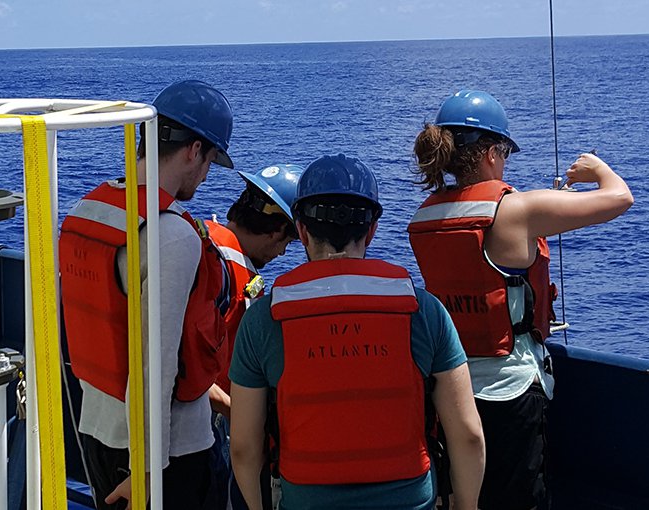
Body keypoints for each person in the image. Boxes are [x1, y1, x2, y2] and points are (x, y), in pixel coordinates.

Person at [407, 90, 634, 510]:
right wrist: (596, 168)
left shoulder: (424, 217)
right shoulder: (516, 210)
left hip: (450, 391)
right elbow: (620, 197)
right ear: (493, 151)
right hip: (510, 391)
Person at [228, 154, 486, 510]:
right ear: (371, 230)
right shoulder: (425, 312)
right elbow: (469, 435)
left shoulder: (261, 319)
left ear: (301, 230)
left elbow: (243, 447)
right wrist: (467, 505)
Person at [59, 79, 234, 510]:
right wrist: (149, 473)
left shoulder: (87, 211)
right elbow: (153, 366)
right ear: (194, 151)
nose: (207, 173)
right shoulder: (170, 233)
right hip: (165, 456)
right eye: (210, 159)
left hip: (98, 430)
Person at [205, 164, 303, 510]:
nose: (283, 254)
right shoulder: (220, 269)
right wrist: (238, 413)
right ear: (277, 231)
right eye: (288, 241)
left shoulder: (209, 243)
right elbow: (176, 359)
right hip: (200, 428)